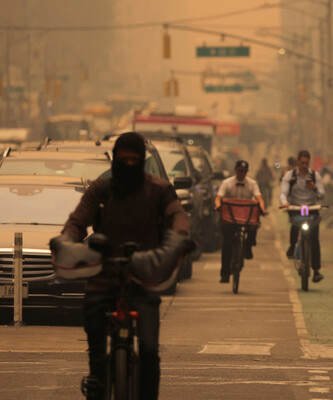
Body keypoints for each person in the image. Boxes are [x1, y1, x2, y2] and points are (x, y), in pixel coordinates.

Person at [59, 132, 190, 400]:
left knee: (150, 350)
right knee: (93, 320)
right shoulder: (100, 189)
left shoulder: (161, 190)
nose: (128, 164)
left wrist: (178, 239)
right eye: (123, 159)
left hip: (143, 276)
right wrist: (67, 241)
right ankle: (97, 375)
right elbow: (76, 222)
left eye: (134, 159)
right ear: (115, 159)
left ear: (142, 160)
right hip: (103, 275)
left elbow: (178, 218)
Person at [215, 160, 266, 283]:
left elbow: (259, 198)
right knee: (227, 244)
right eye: (239, 171)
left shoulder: (252, 183)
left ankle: (248, 247)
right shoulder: (226, 183)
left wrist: (263, 208)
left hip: (246, 218)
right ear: (235, 170)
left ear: (247, 172)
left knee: (254, 227)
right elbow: (219, 197)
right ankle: (225, 274)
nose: (241, 174)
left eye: (244, 171)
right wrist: (217, 206)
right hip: (230, 218)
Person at [280, 150, 326, 283]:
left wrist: (314, 189)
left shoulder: (315, 176)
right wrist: (284, 203)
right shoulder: (290, 175)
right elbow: (283, 192)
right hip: (295, 207)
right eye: (301, 162)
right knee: (295, 225)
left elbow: (322, 194)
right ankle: (292, 245)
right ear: (297, 161)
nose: (304, 165)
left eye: (306, 163)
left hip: (311, 208)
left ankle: (316, 270)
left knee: (314, 239)